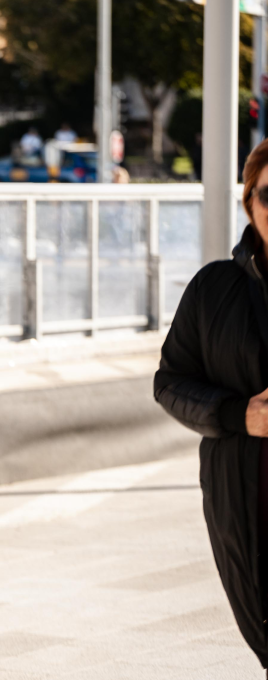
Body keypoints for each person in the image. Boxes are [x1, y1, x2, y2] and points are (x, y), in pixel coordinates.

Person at [155, 139, 268, 674]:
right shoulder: (212, 290)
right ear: (250, 204)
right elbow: (171, 381)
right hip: (243, 499)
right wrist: (236, 414)